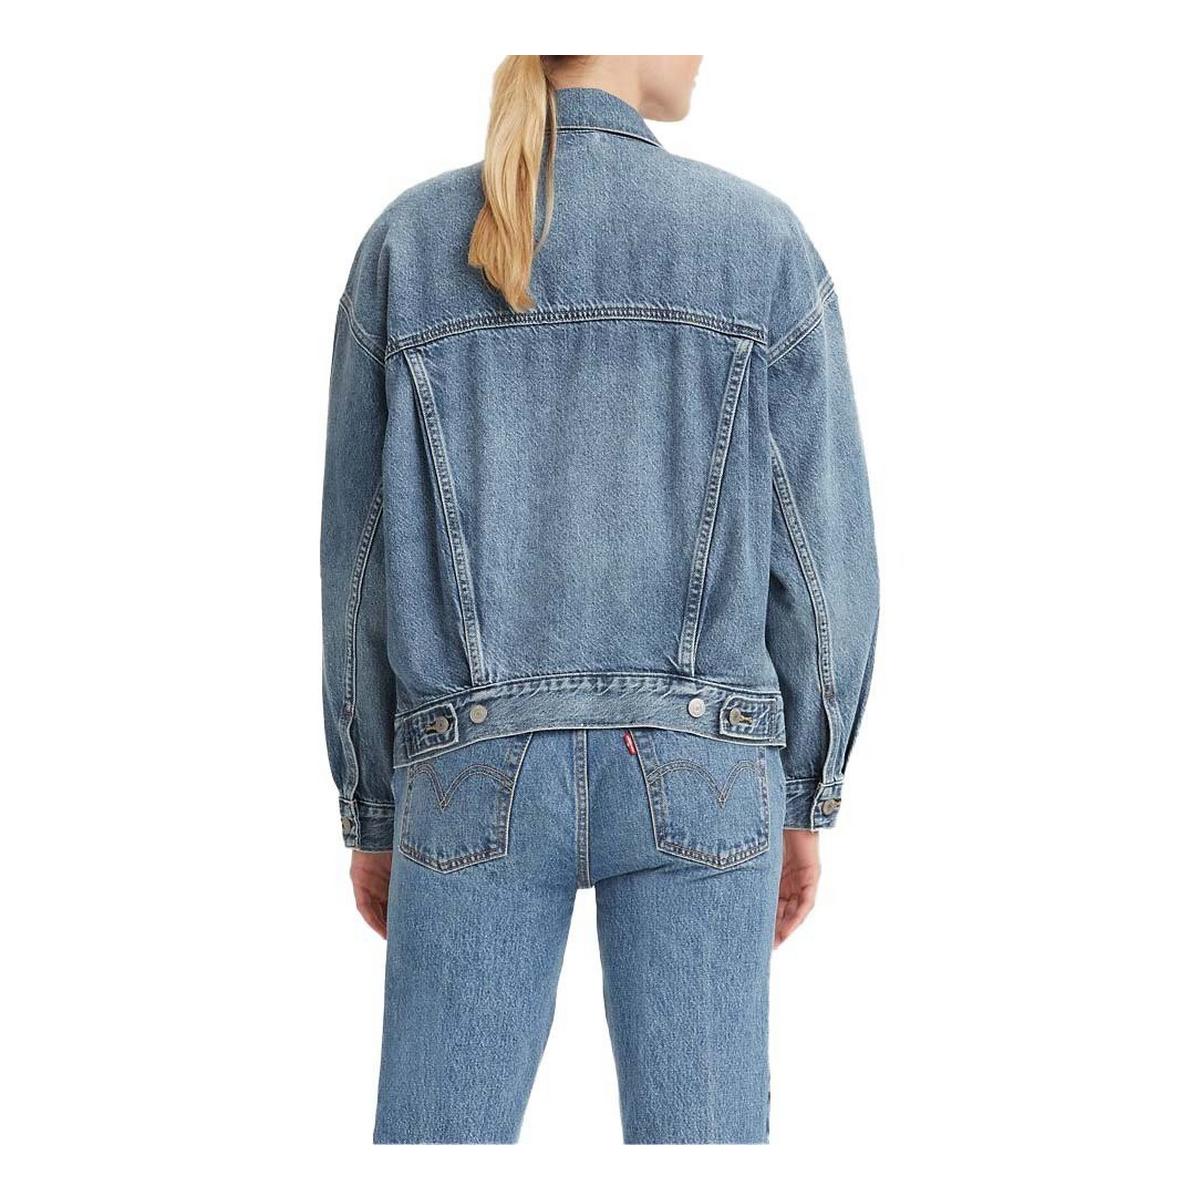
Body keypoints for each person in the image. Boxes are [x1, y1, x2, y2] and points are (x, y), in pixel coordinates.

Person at [320, 54, 879, 1144]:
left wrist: (375, 803)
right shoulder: (757, 243)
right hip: (707, 767)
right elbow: (823, 567)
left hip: (467, 773)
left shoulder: (408, 243)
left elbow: (359, 565)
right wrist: (803, 790)